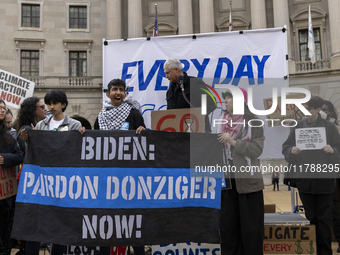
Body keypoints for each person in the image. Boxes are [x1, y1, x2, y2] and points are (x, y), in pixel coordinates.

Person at [21, 90, 83, 255]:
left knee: (60, 223)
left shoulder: (75, 125)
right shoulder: (42, 125)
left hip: (64, 181)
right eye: (49, 104)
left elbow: (76, 153)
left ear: (63, 104)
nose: (51, 107)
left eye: (55, 103)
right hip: (43, 181)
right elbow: (34, 152)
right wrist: (27, 141)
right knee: (38, 220)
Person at [282, 96, 340, 255]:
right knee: (311, 217)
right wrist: (290, 151)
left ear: (318, 110)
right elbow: (286, 147)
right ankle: (312, 249)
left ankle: (325, 251)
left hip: (325, 183)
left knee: (324, 219)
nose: (305, 112)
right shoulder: (298, 127)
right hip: (305, 182)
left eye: (308, 109)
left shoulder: (330, 128)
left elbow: (339, 151)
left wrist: (333, 151)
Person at [93, 78, 145, 255]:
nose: (118, 92)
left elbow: (145, 141)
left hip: (131, 177)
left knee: (133, 221)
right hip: (108, 178)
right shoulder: (100, 117)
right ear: (108, 94)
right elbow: (93, 144)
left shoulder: (134, 113)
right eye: (114, 89)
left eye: (121, 90)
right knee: (107, 221)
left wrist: (144, 133)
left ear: (125, 93)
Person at [217, 88, 265, 255]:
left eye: (229, 98)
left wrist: (233, 142)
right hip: (227, 183)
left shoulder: (253, 122)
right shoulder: (221, 121)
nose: (226, 100)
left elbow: (256, 149)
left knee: (251, 230)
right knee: (228, 229)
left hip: (248, 183)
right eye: (226, 98)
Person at [164, 58, 216, 133]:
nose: (166, 76)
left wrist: (197, 117)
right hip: (180, 136)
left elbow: (212, 103)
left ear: (176, 70)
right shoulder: (170, 91)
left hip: (198, 133)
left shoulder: (195, 83)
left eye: (168, 73)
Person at [0, 99, 24, 253]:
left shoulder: (8, 136)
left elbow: (20, 155)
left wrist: (5, 158)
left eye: (3, 108)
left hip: (4, 200)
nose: (2, 110)